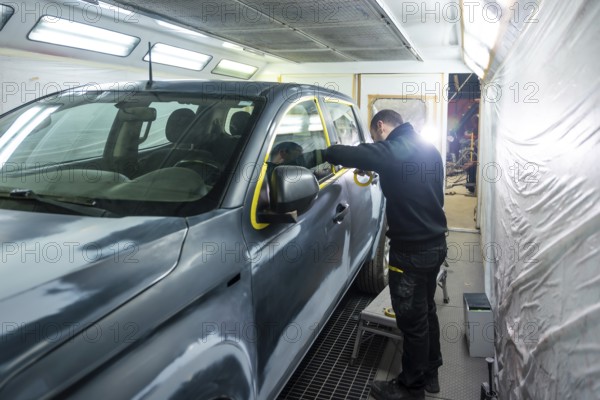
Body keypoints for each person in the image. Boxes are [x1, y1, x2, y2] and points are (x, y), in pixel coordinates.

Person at [317, 110, 448, 400]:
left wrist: (323, 151)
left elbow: (355, 153)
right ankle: (431, 373)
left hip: (411, 251)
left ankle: (410, 388)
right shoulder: (427, 148)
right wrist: (380, 168)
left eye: (376, 136)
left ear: (381, 126)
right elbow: (412, 180)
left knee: (411, 322)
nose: (376, 141)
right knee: (426, 310)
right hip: (436, 244)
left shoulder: (395, 148)